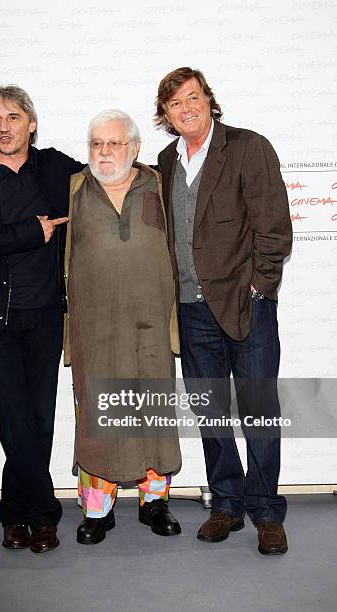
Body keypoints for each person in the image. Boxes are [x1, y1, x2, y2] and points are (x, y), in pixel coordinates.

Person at [155, 67, 292, 555]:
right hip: (191, 311)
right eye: (175, 103)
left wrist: (260, 287)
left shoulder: (248, 146)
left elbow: (273, 226)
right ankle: (227, 505)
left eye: (193, 97)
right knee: (210, 415)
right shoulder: (165, 163)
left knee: (257, 412)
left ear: (208, 100)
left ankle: (267, 511)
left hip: (246, 306)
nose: (186, 108)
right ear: (166, 115)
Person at [0, 85, 84, 553]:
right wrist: (32, 231)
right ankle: (43, 514)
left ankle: (15, 515)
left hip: (45, 314)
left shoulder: (55, 167)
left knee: (38, 420)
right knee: (13, 419)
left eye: (12, 117)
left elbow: (105, 180)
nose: (3, 126)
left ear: (31, 122)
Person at [64, 109, 182, 545]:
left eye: (114, 143)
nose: (105, 151)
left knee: (152, 411)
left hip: (151, 325)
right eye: (97, 143)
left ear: (134, 147)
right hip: (94, 328)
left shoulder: (160, 184)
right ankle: (98, 510)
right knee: (100, 415)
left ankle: (155, 503)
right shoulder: (73, 188)